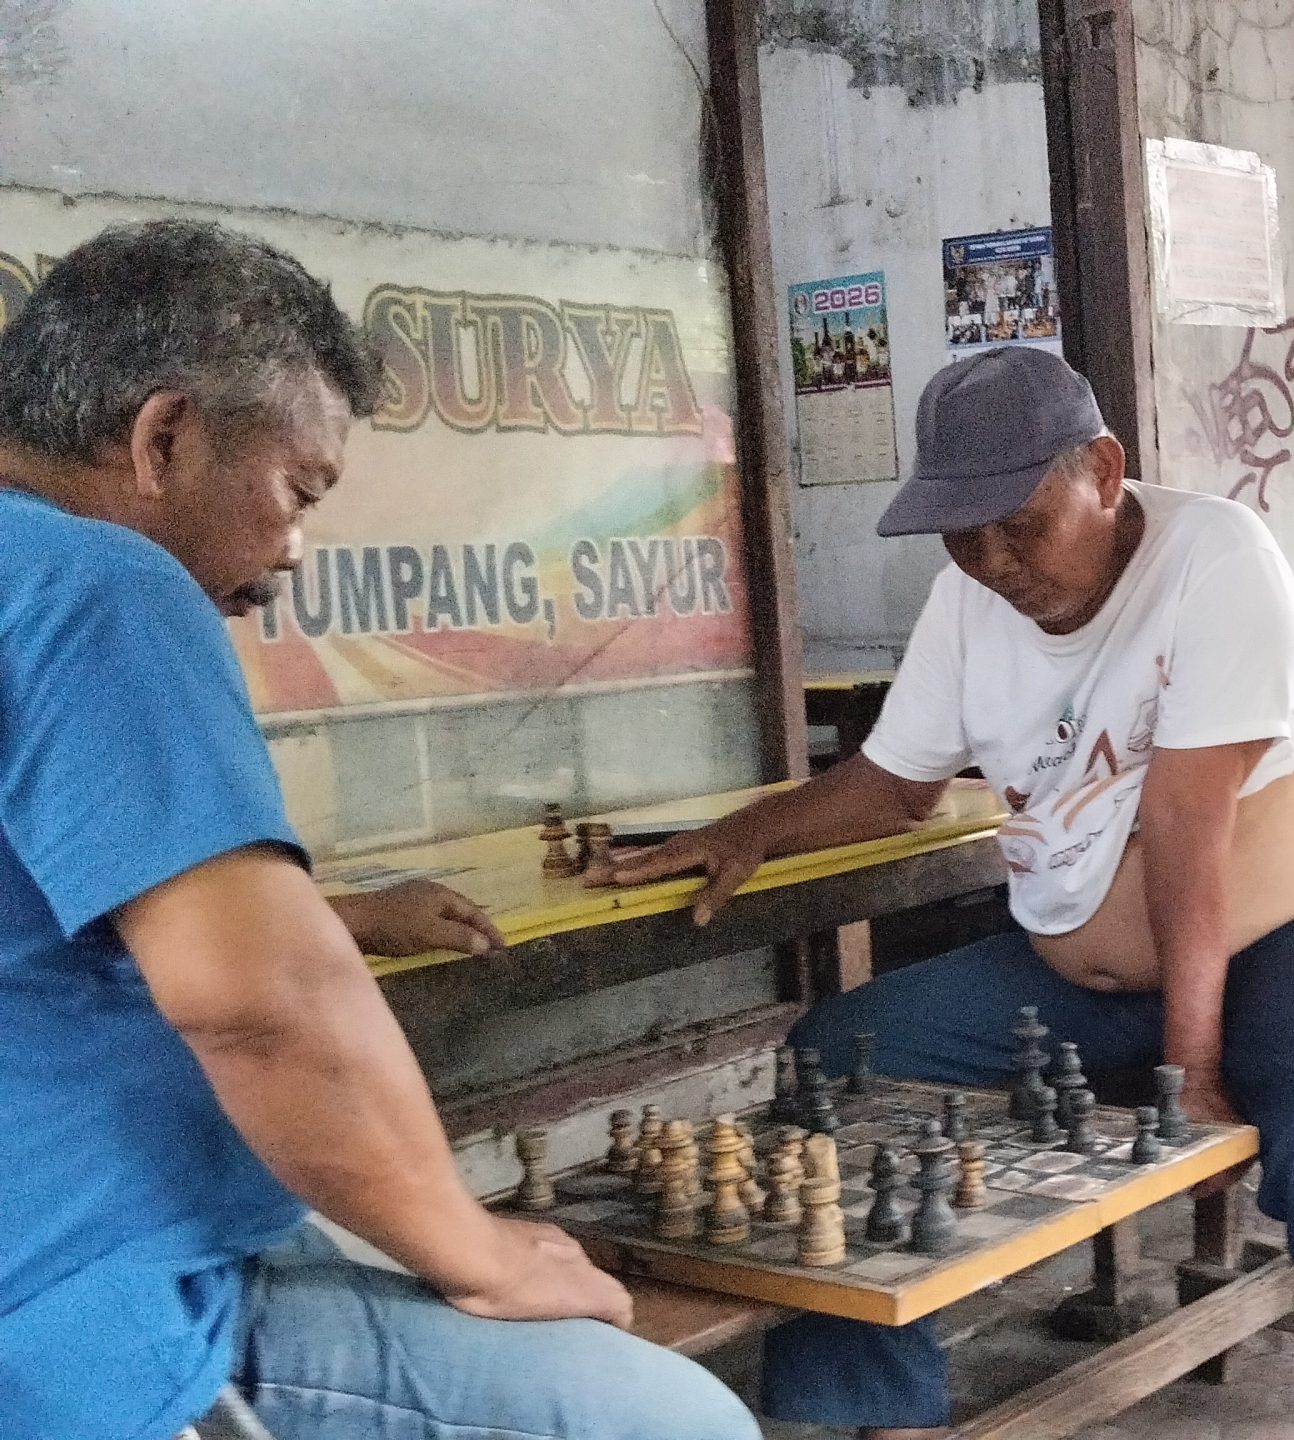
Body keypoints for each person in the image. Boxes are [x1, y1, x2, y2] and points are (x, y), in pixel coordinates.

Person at [607, 346, 1294, 1440]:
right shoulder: (966, 605)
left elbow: (1186, 830)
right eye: (964, 539)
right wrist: (742, 834)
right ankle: (891, 1418)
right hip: (1080, 977)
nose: (997, 563)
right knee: (837, 1058)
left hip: (1287, 944)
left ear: (1103, 472)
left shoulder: (1217, 557)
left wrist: (1189, 1073)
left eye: (1020, 525)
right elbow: (893, 785)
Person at [0, 219, 762, 1440]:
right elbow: (258, 1006)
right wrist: (482, 1253)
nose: (293, 551)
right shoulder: (100, 588)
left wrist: (331, 914)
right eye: (296, 490)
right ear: (163, 437)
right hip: (94, 1320)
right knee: (674, 1422)